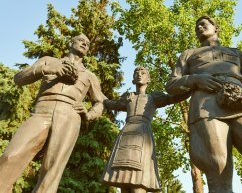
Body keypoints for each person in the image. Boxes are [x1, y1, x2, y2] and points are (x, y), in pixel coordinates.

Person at [165, 16, 242, 193]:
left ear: (216, 28)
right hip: (207, 107)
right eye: (196, 26)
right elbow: (172, 85)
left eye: (204, 24)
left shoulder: (237, 54)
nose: (199, 27)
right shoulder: (188, 54)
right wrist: (195, 79)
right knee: (218, 170)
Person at [0, 34, 106, 193]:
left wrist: (88, 114)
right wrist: (46, 69)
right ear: (71, 42)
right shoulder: (49, 60)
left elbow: (100, 102)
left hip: (70, 116)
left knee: (52, 170)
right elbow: (19, 79)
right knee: (11, 156)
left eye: (88, 43)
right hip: (43, 109)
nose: (85, 43)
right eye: (81, 40)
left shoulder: (90, 76)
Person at [102, 66, 187, 193]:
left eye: (143, 73)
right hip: (125, 136)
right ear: (132, 79)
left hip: (142, 135)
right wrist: (92, 89)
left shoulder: (153, 98)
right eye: (136, 73)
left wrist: (193, 85)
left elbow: (173, 98)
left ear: (149, 79)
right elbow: (109, 103)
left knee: (139, 184)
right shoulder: (128, 98)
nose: (139, 75)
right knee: (123, 182)